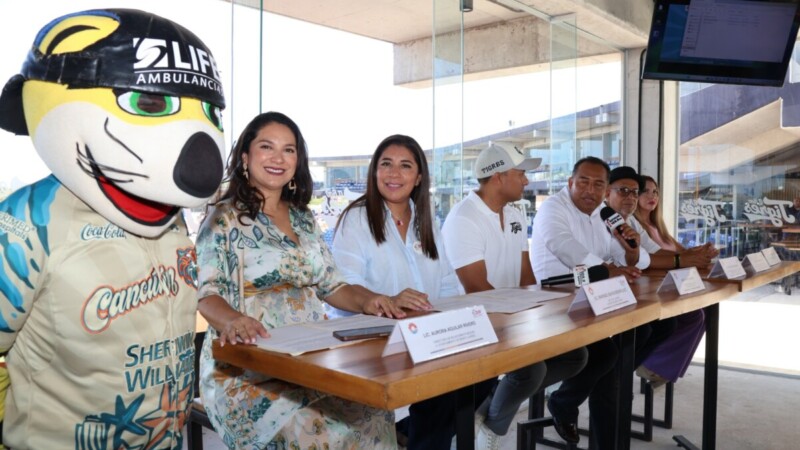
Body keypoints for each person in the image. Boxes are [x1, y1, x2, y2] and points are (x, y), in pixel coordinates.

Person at [195, 112, 409, 449]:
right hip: (247, 367)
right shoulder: (222, 218)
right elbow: (206, 294)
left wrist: (370, 300)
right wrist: (234, 319)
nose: (279, 158)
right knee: (320, 432)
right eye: (267, 147)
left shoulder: (303, 217)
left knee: (374, 415)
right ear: (246, 157)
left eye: (289, 150)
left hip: (311, 361)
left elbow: (333, 285)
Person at [442, 143, 588, 450]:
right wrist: (525, 321)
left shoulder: (515, 214)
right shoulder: (463, 218)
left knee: (577, 355)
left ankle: (487, 412)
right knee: (531, 369)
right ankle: (492, 427)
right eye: (520, 173)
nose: (526, 180)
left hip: (511, 319)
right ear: (497, 176)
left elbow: (526, 276)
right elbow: (476, 289)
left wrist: (541, 312)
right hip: (474, 323)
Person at [332, 134, 463, 450]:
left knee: (477, 377)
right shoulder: (357, 218)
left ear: (419, 177)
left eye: (405, 166)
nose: (394, 174)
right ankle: (414, 425)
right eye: (386, 164)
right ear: (374, 171)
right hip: (372, 344)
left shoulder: (426, 221)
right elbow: (342, 284)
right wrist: (386, 301)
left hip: (423, 341)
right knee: (440, 401)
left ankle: (416, 426)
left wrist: (463, 323)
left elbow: (447, 284)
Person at [530, 157, 650, 449]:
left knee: (641, 333)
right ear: (570, 182)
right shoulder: (553, 208)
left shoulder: (604, 213)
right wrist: (611, 269)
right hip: (553, 303)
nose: (590, 190)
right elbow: (568, 250)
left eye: (598, 184)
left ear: (605, 189)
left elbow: (634, 258)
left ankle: (594, 422)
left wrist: (630, 250)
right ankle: (562, 402)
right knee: (606, 354)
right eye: (583, 182)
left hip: (592, 300)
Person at [633, 174, 712, 386]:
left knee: (704, 312)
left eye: (656, 192)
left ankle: (663, 368)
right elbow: (651, 260)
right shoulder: (634, 226)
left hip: (673, 284)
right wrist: (691, 257)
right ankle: (654, 365)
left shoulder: (659, 227)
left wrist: (701, 253)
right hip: (654, 288)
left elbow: (682, 253)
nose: (652, 196)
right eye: (646, 191)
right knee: (694, 316)